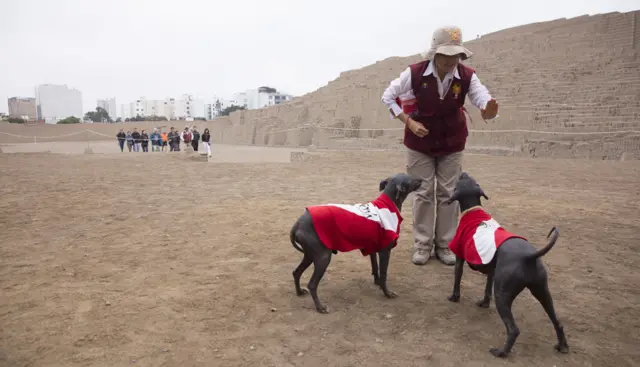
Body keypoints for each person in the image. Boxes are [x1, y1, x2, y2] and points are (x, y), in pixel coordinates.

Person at [381, 26, 499, 266]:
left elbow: (481, 97)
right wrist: (409, 122)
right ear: (435, 53)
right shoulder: (414, 73)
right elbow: (388, 96)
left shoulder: (466, 76)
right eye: (447, 55)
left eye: (456, 55)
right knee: (423, 192)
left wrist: (488, 108)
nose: (452, 60)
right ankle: (422, 245)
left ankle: (446, 245)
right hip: (419, 142)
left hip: (452, 142)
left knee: (448, 193)